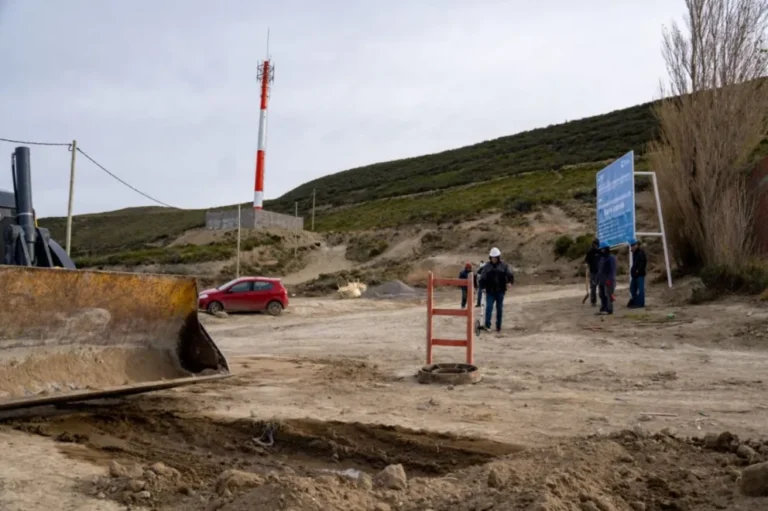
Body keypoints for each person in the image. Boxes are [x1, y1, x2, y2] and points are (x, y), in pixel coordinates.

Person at [479, 247, 514, 332]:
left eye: (495, 257)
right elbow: (482, 278)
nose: (494, 259)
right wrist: (482, 287)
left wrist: (510, 282)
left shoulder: (504, 266)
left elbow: (510, 275)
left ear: (498, 257)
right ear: (490, 258)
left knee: (499, 309)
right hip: (490, 291)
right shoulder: (487, 267)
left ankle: (498, 326)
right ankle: (487, 325)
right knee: (489, 308)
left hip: (500, 291)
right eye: (492, 258)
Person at [596, 242, 616, 315]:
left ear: (606, 249)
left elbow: (612, 270)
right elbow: (600, 270)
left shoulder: (611, 258)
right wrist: (597, 279)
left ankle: (609, 309)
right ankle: (603, 308)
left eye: (602, 249)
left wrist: (609, 280)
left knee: (609, 295)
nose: (601, 251)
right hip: (601, 280)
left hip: (608, 281)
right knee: (602, 294)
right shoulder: (602, 259)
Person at [628, 238, 647, 308]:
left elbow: (643, 262)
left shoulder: (640, 252)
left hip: (640, 274)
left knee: (640, 289)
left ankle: (640, 303)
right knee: (632, 288)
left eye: (633, 245)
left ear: (636, 245)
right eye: (631, 245)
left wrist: (638, 270)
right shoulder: (635, 253)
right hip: (635, 275)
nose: (632, 246)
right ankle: (636, 301)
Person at [584, 238, 601, 307]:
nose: (595, 246)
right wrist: (586, 266)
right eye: (594, 244)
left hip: (600, 272)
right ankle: (593, 301)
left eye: (596, 244)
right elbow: (586, 260)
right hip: (593, 272)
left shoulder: (600, 251)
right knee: (593, 287)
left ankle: (603, 300)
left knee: (601, 287)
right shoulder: (590, 251)